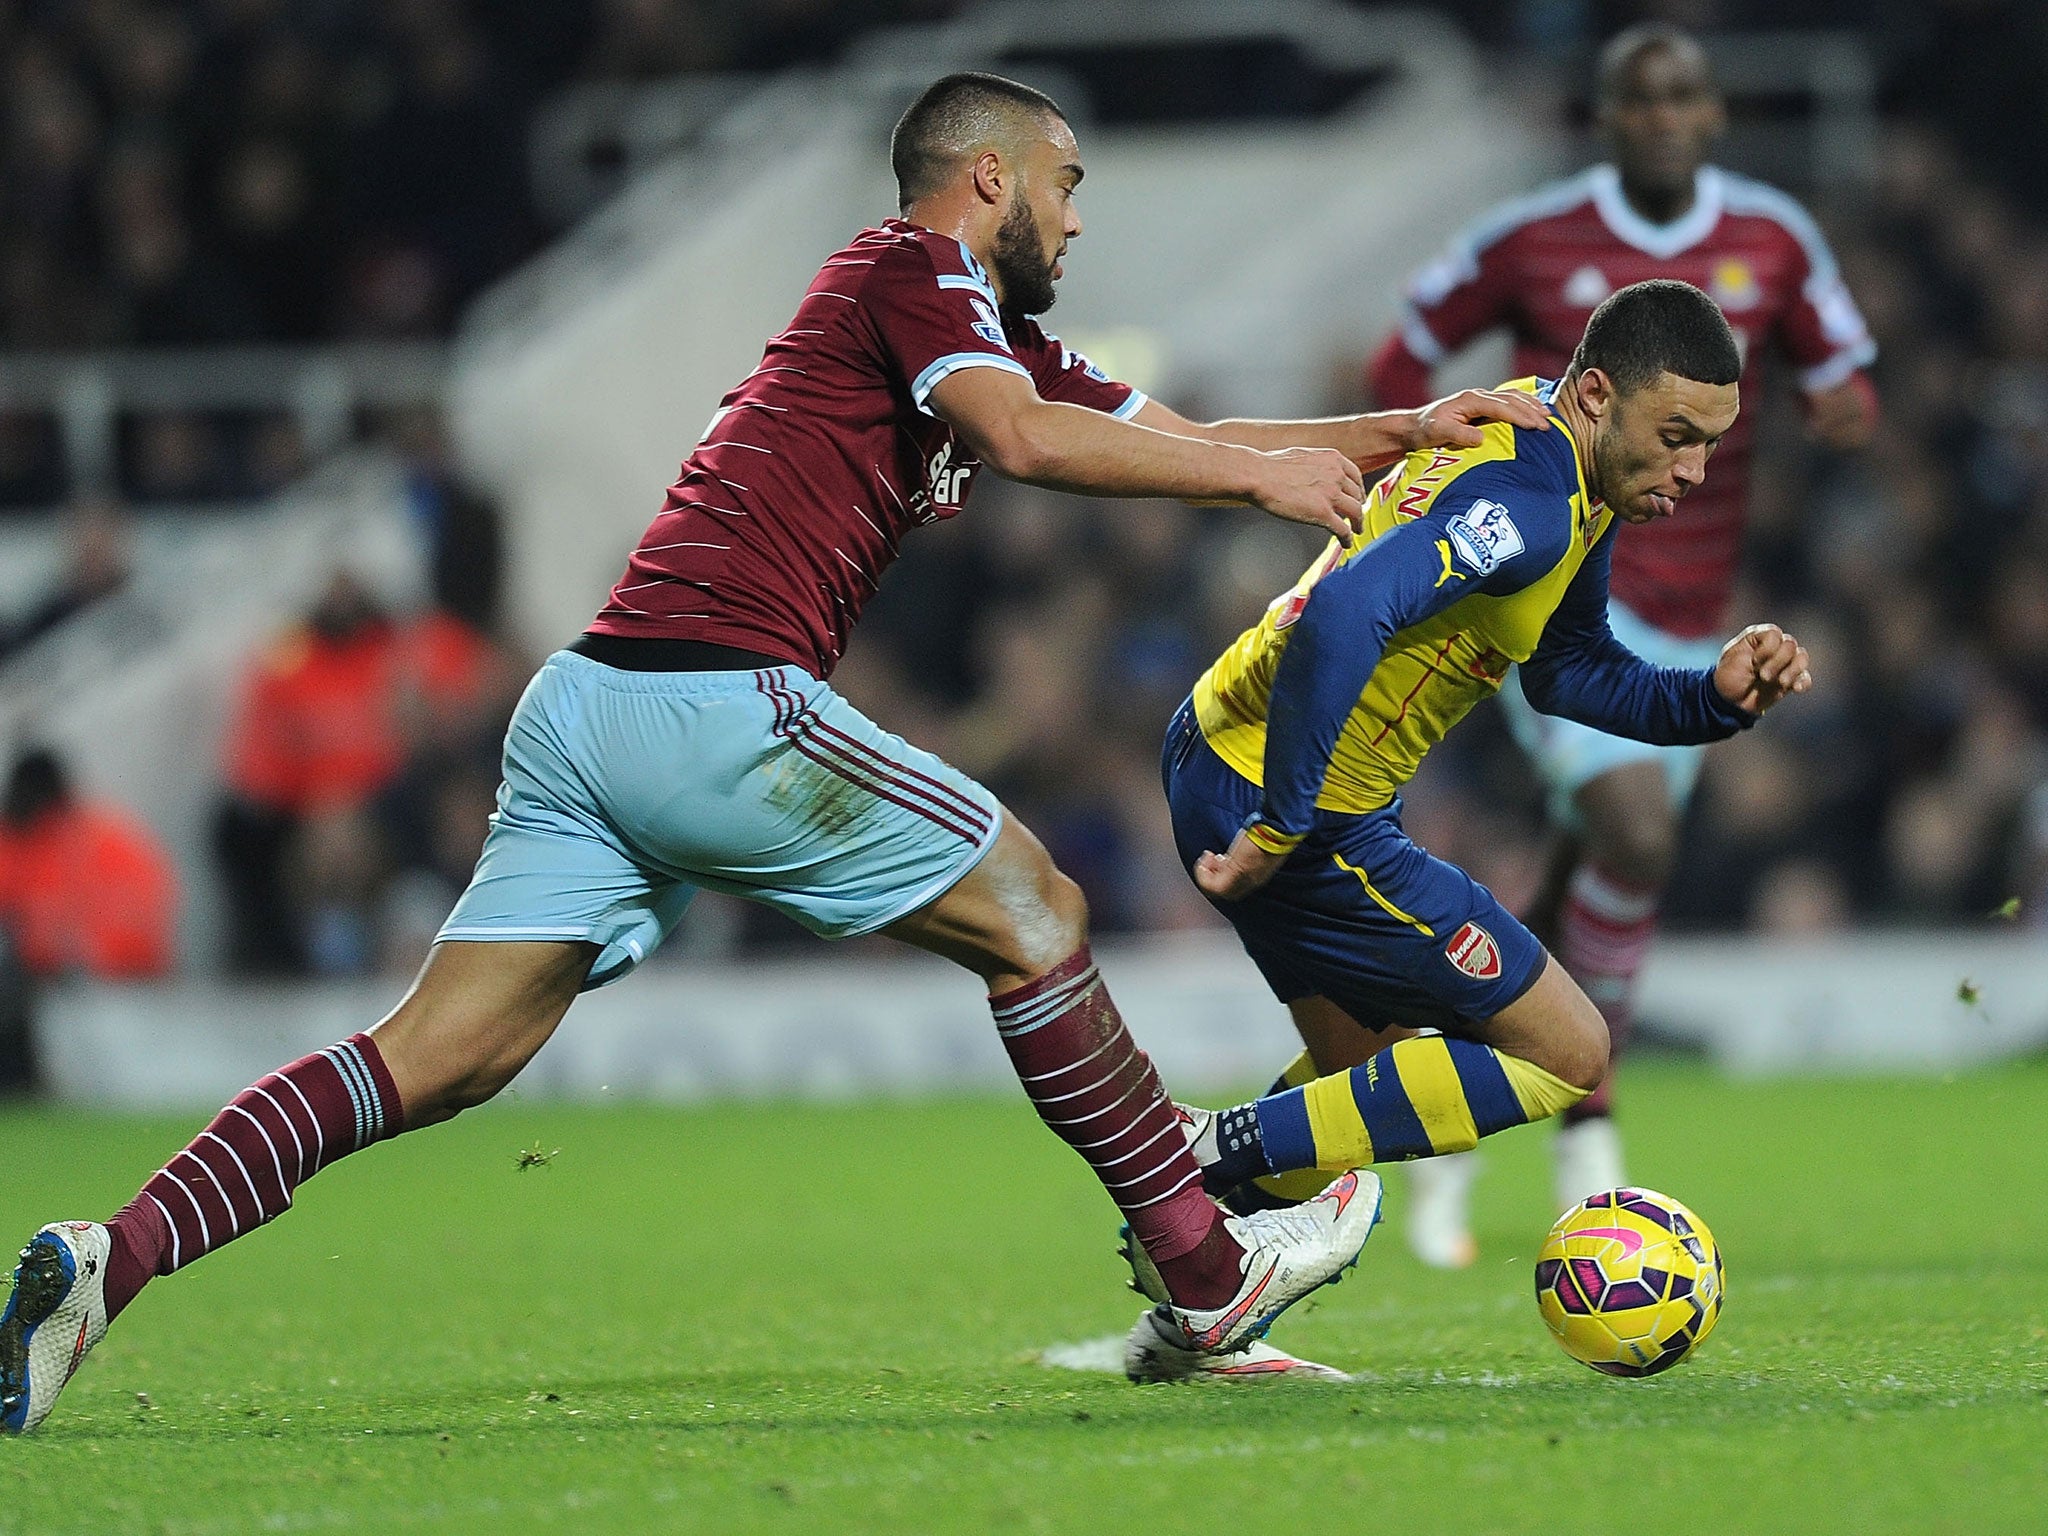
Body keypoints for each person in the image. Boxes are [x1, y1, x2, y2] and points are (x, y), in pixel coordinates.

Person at [0, 71, 1553, 1432]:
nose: (1080, 221)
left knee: (431, 1058)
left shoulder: (980, 332)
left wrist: (1391, 433)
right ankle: (1207, 1274)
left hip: (593, 705)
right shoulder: (911, 266)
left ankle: (108, 1260)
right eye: (1068, 185)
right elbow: (1029, 443)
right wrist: (1264, 491)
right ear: (990, 177)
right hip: (713, 697)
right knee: (1037, 908)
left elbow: (1169, 437)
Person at [1119, 280, 1812, 1379]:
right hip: (1293, 795)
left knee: (1357, 1087)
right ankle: (1195, 1153)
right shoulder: (1535, 501)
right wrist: (1287, 819)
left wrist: (1711, 700)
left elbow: (1567, 670)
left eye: (1710, 447)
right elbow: (1347, 611)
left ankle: (1197, 1305)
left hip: (1232, 750)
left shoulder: (1562, 466)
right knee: (1566, 1051)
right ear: (1598, 394)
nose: (1692, 470)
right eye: (1676, 435)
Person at [1362, 24, 1875, 1264]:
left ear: (1712, 114)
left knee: (1586, 867)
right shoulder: (1530, 238)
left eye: (1682, 97)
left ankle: (1448, 1082)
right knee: (1635, 833)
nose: (1660, 118)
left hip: (1695, 607)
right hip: (1552, 578)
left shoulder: (1771, 238)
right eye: (1637, 100)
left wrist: (1839, 406)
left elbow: (1845, 373)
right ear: (1604, 118)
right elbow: (1403, 347)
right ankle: (1586, 1127)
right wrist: (1431, 452)